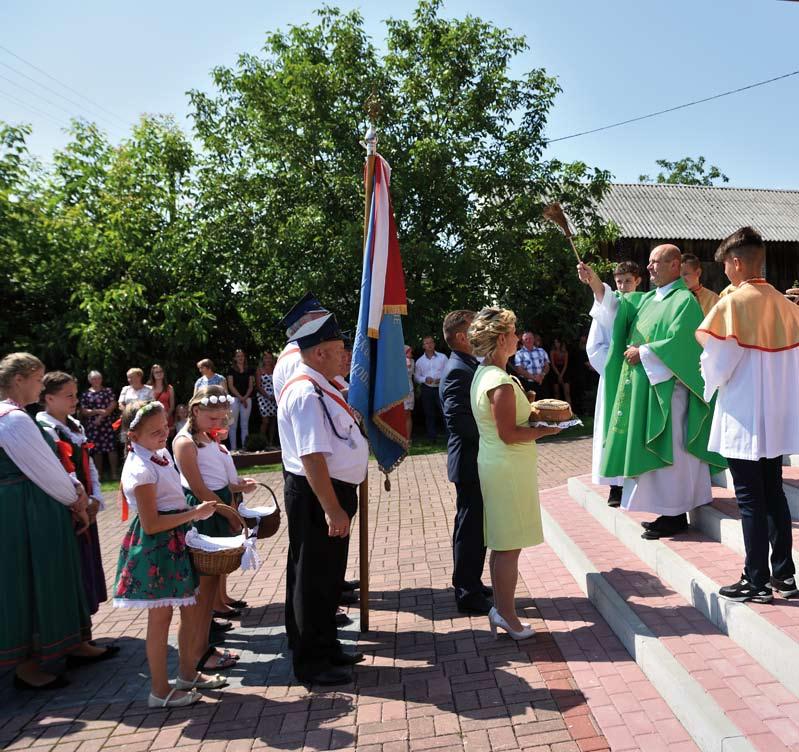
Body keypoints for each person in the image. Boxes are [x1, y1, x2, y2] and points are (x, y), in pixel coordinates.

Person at [592, 244, 726, 540]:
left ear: (675, 265)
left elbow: (684, 344)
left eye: (656, 262)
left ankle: (676, 513)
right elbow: (620, 305)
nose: (649, 267)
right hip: (648, 389)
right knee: (659, 454)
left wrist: (646, 352)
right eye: (650, 262)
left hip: (671, 394)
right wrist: (596, 287)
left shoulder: (684, 301)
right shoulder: (650, 298)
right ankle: (666, 510)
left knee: (674, 452)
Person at [697, 227, 799, 602]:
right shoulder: (788, 306)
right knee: (773, 493)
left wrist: (703, 350)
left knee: (750, 500)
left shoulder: (731, 304)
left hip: (743, 416)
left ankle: (754, 580)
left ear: (737, 262)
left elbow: (717, 365)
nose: (724, 272)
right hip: (776, 415)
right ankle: (784, 577)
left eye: (725, 264)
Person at [277, 310, 369, 686]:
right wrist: (332, 509)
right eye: (338, 350)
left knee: (328, 578)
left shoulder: (324, 385)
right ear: (318, 354)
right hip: (319, 497)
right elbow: (312, 457)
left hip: (330, 493)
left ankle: (327, 646)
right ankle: (312, 662)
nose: (345, 356)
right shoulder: (306, 392)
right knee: (313, 580)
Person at [112, 399, 222, 708]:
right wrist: (193, 514)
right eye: (154, 432)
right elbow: (151, 523)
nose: (164, 435)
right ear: (133, 437)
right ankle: (159, 691)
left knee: (189, 610)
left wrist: (191, 512)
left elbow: (171, 501)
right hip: (157, 547)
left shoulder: (158, 455)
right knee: (160, 620)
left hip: (175, 539)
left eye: (165, 428)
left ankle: (187, 674)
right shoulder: (140, 468)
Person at [0, 353, 99, 690]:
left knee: (51, 576)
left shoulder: (15, 416)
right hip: (29, 512)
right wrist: (76, 498)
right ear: (20, 379)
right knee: (32, 581)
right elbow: (44, 468)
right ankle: (28, 666)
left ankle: (72, 643)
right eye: (37, 379)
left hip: (34, 509)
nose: (41, 386)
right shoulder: (12, 418)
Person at [468, 310, 561, 640]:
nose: (518, 336)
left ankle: (501, 610)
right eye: (512, 332)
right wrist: (546, 431)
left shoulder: (487, 373)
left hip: (499, 463)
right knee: (508, 546)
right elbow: (508, 432)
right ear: (501, 340)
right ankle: (507, 615)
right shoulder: (499, 381)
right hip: (506, 466)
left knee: (502, 542)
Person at [173, 386, 255, 670]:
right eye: (212, 419)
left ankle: (204, 648)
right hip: (205, 512)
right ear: (196, 411)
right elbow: (198, 487)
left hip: (217, 507)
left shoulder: (206, 438)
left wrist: (237, 487)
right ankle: (197, 654)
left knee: (209, 588)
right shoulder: (185, 443)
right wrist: (229, 513)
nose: (218, 425)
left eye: (223, 420)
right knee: (201, 589)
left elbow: (217, 475)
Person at [38, 372, 111, 621]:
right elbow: (59, 470)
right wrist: (79, 501)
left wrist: (96, 498)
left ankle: (84, 633)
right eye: (68, 396)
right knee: (74, 567)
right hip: (68, 509)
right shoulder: (45, 429)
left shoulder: (73, 424)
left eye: (75, 394)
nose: (75, 400)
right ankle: (77, 635)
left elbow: (88, 464)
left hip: (85, 506)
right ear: (49, 398)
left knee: (87, 565)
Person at [439, 310, 492, 614]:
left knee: (475, 525)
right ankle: (467, 593)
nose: (481, 331)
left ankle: (471, 580)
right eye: (475, 328)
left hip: (476, 460)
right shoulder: (458, 369)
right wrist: (497, 432)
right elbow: (459, 422)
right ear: (461, 337)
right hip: (470, 462)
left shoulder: (469, 364)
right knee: (470, 527)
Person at [578, 260, 642, 507]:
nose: (623, 286)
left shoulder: (646, 304)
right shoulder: (611, 304)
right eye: (619, 281)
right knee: (612, 428)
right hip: (615, 377)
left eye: (628, 281)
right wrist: (618, 366)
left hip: (641, 375)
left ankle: (637, 480)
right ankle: (615, 485)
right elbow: (594, 346)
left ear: (638, 281)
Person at [273, 293, 333, 401]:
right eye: (322, 318)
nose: (327, 323)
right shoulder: (298, 358)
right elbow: (308, 399)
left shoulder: (299, 353)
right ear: (305, 323)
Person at [80, 370, 118, 480]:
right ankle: (99, 475)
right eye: (93, 379)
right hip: (93, 426)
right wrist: (97, 411)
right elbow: (83, 410)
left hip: (107, 424)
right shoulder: (86, 394)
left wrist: (101, 416)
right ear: (89, 380)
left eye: (98, 378)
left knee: (111, 448)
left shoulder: (108, 391)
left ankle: (114, 473)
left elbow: (112, 405)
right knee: (96, 450)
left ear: (101, 379)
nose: (96, 380)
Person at [414, 336, 448, 441]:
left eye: (431, 342)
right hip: (427, 389)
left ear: (434, 344)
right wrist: (425, 379)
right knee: (429, 414)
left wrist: (441, 379)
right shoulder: (419, 361)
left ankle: (450, 437)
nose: (429, 345)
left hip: (441, 388)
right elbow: (416, 377)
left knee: (445, 412)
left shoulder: (443, 357)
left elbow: (448, 372)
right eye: (426, 343)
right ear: (423, 346)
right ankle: (431, 438)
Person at [118, 369, 154, 453]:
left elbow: (152, 404)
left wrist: (140, 413)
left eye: (132, 377)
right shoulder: (125, 389)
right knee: (128, 441)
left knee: (144, 440)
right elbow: (120, 404)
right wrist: (129, 413)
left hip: (144, 420)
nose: (129, 380)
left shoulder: (149, 389)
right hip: (128, 419)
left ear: (139, 376)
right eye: (128, 378)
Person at [227, 350, 255, 451]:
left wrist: (245, 397)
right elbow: (230, 385)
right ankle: (233, 449)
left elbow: (251, 386)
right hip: (234, 399)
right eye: (238, 356)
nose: (240, 358)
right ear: (235, 358)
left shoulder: (249, 369)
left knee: (244, 424)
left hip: (247, 398)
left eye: (242, 356)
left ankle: (245, 447)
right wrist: (241, 398)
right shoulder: (231, 370)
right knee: (232, 425)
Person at [512, 332, 550, 396]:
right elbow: (520, 370)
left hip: (542, 382)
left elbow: (547, 366)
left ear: (533, 339)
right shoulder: (519, 353)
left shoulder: (541, 351)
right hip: (527, 384)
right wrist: (534, 378)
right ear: (522, 341)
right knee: (529, 404)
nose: (528, 340)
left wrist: (542, 375)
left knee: (543, 404)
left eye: (530, 338)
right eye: (526, 339)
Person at [255, 352, 278, 444]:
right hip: (263, 397)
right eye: (266, 358)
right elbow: (258, 386)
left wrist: (274, 395)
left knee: (273, 421)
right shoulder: (259, 370)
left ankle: (271, 442)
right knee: (265, 421)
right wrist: (267, 396)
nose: (268, 360)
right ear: (263, 360)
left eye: (269, 358)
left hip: (275, 396)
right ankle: (261, 442)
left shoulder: (275, 369)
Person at [148, 364, 175, 435]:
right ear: (152, 374)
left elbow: (172, 406)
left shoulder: (169, 388)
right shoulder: (148, 388)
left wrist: (166, 416)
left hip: (167, 416)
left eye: (161, 371)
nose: (159, 374)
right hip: (153, 417)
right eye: (156, 372)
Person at [549, 337, 571, 403]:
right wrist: (558, 374)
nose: (556, 344)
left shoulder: (565, 352)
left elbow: (565, 365)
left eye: (558, 342)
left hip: (564, 371)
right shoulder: (552, 352)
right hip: (555, 371)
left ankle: (570, 410)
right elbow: (552, 364)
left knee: (567, 392)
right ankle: (557, 410)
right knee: (556, 392)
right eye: (555, 342)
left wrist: (561, 375)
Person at [403, 345, 415, 443]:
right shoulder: (397, 362)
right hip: (399, 390)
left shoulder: (411, 362)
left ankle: (408, 438)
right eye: (409, 352)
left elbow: (409, 371)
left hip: (409, 390)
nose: (411, 354)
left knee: (407, 413)